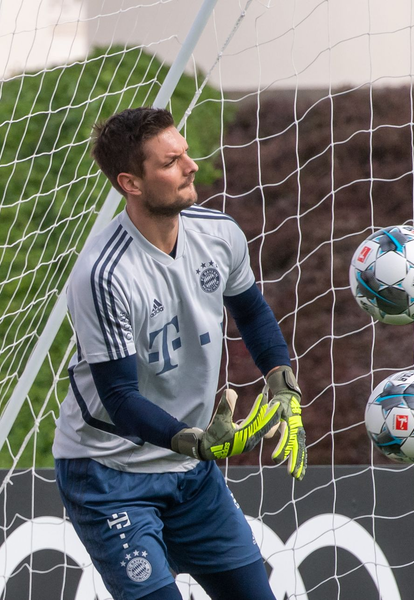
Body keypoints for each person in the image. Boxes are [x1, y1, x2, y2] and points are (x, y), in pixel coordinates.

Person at [52, 107, 306, 600]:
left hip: (189, 471)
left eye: (186, 152)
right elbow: (120, 397)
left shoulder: (219, 233)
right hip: (109, 472)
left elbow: (251, 314)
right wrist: (196, 441)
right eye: (171, 162)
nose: (191, 165)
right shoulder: (102, 275)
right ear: (132, 183)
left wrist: (282, 381)